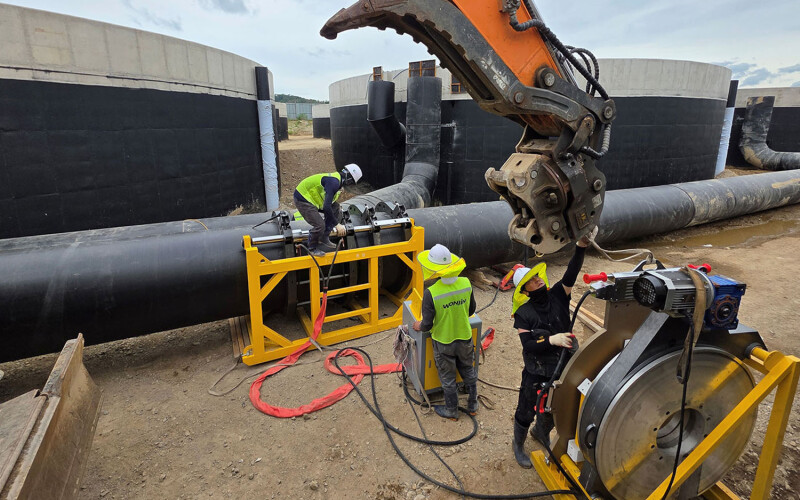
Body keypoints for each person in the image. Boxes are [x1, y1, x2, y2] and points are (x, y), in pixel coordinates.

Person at [510, 234, 591, 468]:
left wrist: (581, 247)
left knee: (553, 405)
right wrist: (551, 339)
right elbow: (527, 345)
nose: (537, 281)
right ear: (524, 291)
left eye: (537, 277)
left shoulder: (558, 294)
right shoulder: (524, 313)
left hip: (562, 364)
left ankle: (541, 432)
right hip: (536, 369)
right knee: (527, 407)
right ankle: (518, 444)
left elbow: (571, 273)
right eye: (532, 281)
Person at [412, 244, 478, 420]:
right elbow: (471, 311)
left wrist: (418, 326)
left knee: (447, 378)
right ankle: (473, 405)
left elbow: (426, 324)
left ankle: (452, 410)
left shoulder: (431, 293)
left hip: (443, 342)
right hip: (465, 338)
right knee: (469, 372)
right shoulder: (466, 283)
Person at [294, 163, 362, 257]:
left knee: (336, 208)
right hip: (302, 198)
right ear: (349, 178)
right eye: (352, 182)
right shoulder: (334, 183)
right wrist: (337, 224)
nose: (350, 185)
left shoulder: (337, 181)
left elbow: (330, 204)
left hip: (312, 199)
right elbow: (326, 207)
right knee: (319, 225)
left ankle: (324, 236)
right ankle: (312, 248)